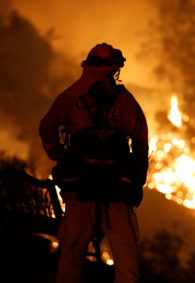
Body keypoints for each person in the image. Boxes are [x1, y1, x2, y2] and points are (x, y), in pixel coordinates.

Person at [39, 43, 149, 283]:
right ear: (114, 70)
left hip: (82, 190)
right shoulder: (127, 102)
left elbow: (46, 127)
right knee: (127, 265)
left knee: (70, 259)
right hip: (116, 193)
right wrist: (136, 182)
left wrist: (59, 155)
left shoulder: (70, 98)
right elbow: (141, 143)